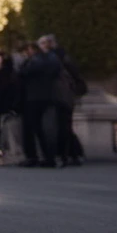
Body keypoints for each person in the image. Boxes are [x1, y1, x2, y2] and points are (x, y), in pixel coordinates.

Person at [38, 34, 85, 166]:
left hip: (59, 95)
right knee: (65, 126)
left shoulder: (53, 58)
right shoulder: (62, 56)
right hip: (64, 95)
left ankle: (65, 155)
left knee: (61, 127)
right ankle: (72, 154)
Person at [17, 41, 61, 167]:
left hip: (32, 98)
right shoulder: (52, 60)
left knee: (30, 129)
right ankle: (49, 157)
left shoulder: (33, 62)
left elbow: (23, 73)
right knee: (45, 129)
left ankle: (32, 156)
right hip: (48, 97)